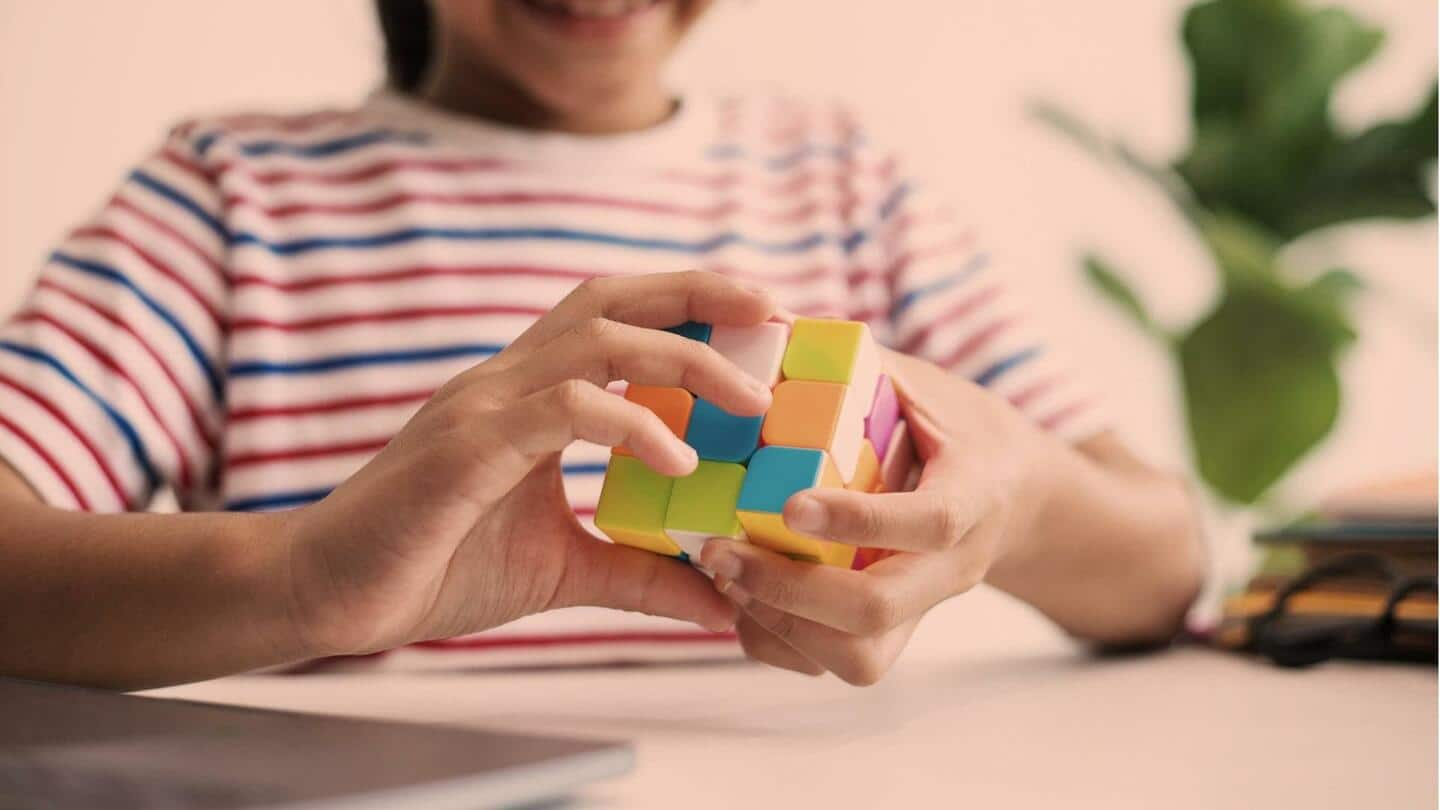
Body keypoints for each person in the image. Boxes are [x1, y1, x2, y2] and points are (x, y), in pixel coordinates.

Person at [0, 0, 1203, 690]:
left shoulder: (843, 184)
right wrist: (307, 579)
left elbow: (1166, 564)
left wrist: (1023, 504)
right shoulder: (232, 193)